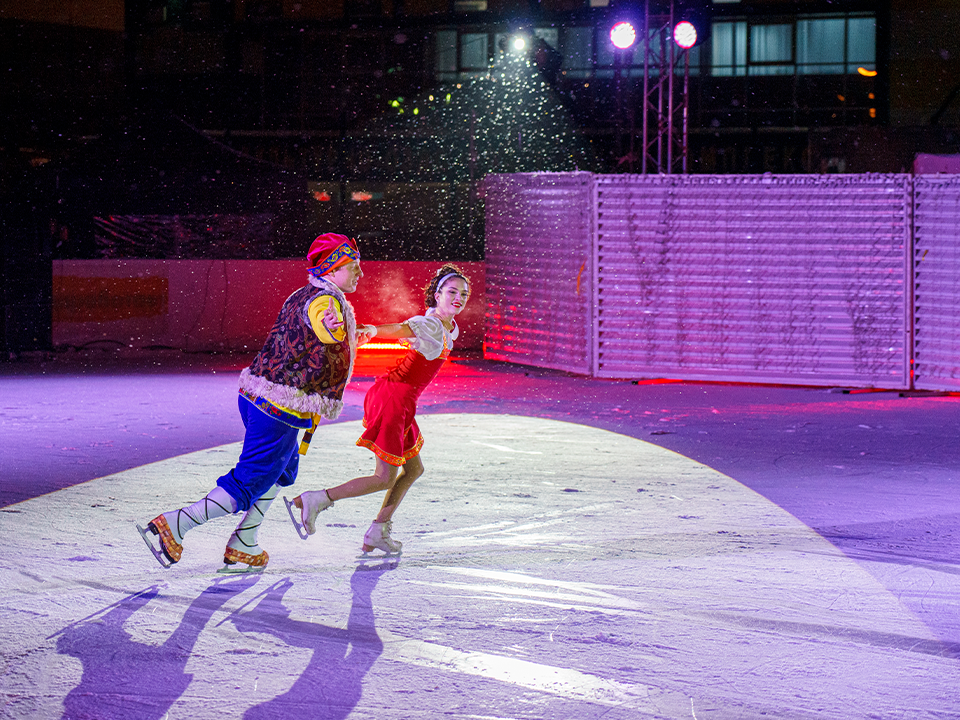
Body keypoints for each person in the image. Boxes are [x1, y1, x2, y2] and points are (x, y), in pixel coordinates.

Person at [137, 233, 376, 572]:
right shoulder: (326, 302)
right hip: (279, 407)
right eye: (353, 266)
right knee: (252, 479)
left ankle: (244, 541)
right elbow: (324, 328)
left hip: (257, 396)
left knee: (281, 472)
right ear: (333, 267)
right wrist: (334, 330)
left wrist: (350, 333)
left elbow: (310, 334)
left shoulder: (303, 293)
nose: (359, 273)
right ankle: (177, 524)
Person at [288, 264, 471, 555]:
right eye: (452, 292)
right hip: (393, 398)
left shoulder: (450, 328)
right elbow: (402, 328)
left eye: (464, 293)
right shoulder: (431, 324)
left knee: (413, 469)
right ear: (437, 294)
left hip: (403, 401)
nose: (459, 297)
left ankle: (378, 530)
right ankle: (318, 498)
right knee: (384, 477)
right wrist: (373, 330)